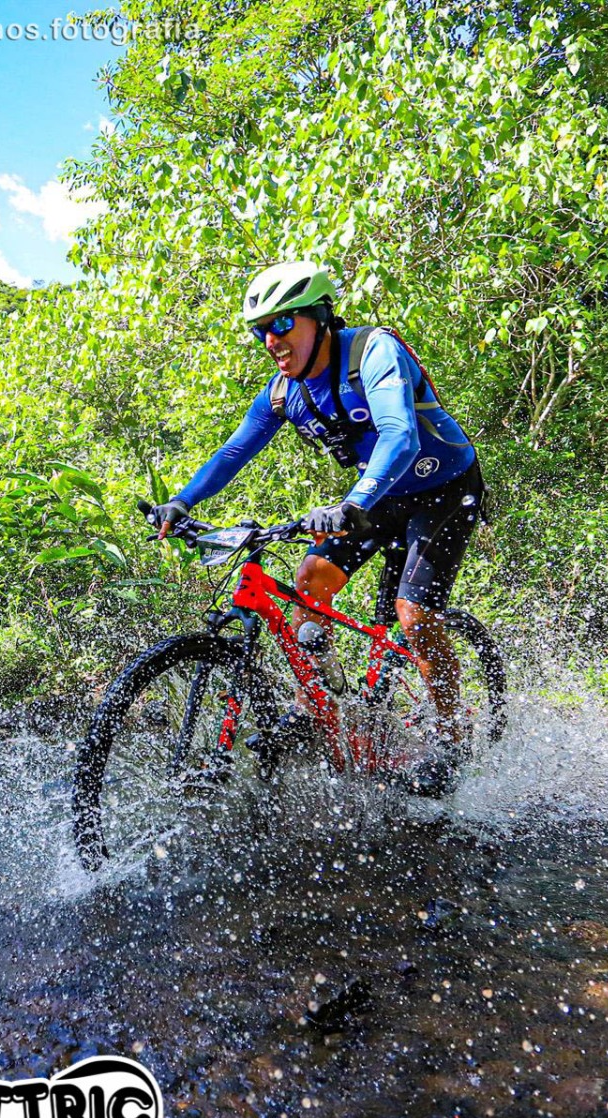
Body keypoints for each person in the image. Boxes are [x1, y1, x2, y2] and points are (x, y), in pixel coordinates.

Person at [148, 262, 485, 794]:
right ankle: (319, 706)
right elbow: (234, 451)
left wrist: (353, 503)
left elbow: (399, 434)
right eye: (261, 331)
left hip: (442, 489)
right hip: (379, 495)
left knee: (415, 614)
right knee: (309, 580)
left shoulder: (372, 352)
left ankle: (450, 736)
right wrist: (181, 501)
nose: (271, 341)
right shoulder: (283, 392)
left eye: (283, 324)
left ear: (321, 318)